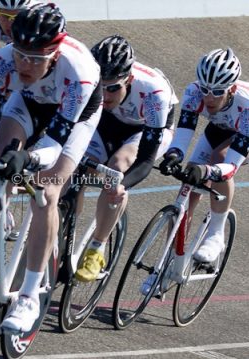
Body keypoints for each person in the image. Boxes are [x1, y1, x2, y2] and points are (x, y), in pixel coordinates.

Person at [0, 4, 102, 332]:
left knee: (47, 191)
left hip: (76, 116)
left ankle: (28, 297)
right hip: (29, 101)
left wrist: (30, 159)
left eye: (36, 58)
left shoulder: (79, 71)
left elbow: (54, 143)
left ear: (54, 54)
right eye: (21, 54)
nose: (25, 63)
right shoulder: (1, 62)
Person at [159, 48, 249, 263]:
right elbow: (183, 136)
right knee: (189, 186)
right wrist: (174, 155)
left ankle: (216, 234)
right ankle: (169, 260)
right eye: (205, 89)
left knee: (219, 158)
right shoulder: (193, 93)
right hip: (223, 125)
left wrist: (207, 171)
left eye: (217, 92)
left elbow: (231, 166)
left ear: (232, 88)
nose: (209, 97)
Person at [74, 35, 179, 282]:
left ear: (129, 79)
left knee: (117, 168)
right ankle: (66, 230)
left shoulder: (155, 93)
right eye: (100, 86)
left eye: (113, 88)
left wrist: (121, 185)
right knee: (75, 171)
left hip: (144, 130)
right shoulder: (85, 77)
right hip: (106, 121)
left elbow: (144, 161)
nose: (105, 94)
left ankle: (96, 249)